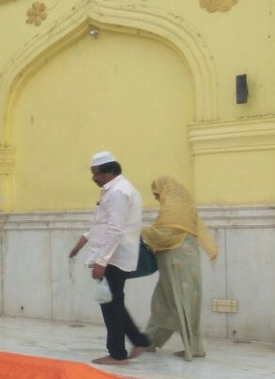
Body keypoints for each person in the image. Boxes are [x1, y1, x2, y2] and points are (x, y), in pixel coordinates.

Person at [69, 151, 151, 364]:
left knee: (111, 306)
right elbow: (103, 224)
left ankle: (117, 354)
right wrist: (83, 242)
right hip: (112, 254)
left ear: (110, 171)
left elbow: (115, 229)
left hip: (114, 257)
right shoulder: (115, 191)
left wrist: (101, 261)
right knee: (113, 303)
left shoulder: (118, 193)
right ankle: (139, 340)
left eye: (96, 173)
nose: (93, 178)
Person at [141, 176, 218, 361]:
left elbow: (164, 236)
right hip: (183, 263)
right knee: (163, 302)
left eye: (157, 194)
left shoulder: (173, 211)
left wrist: (138, 229)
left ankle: (193, 348)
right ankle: (149, 341)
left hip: (177, 263)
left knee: (179, 302)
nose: (157, 199)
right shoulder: (184, 209)